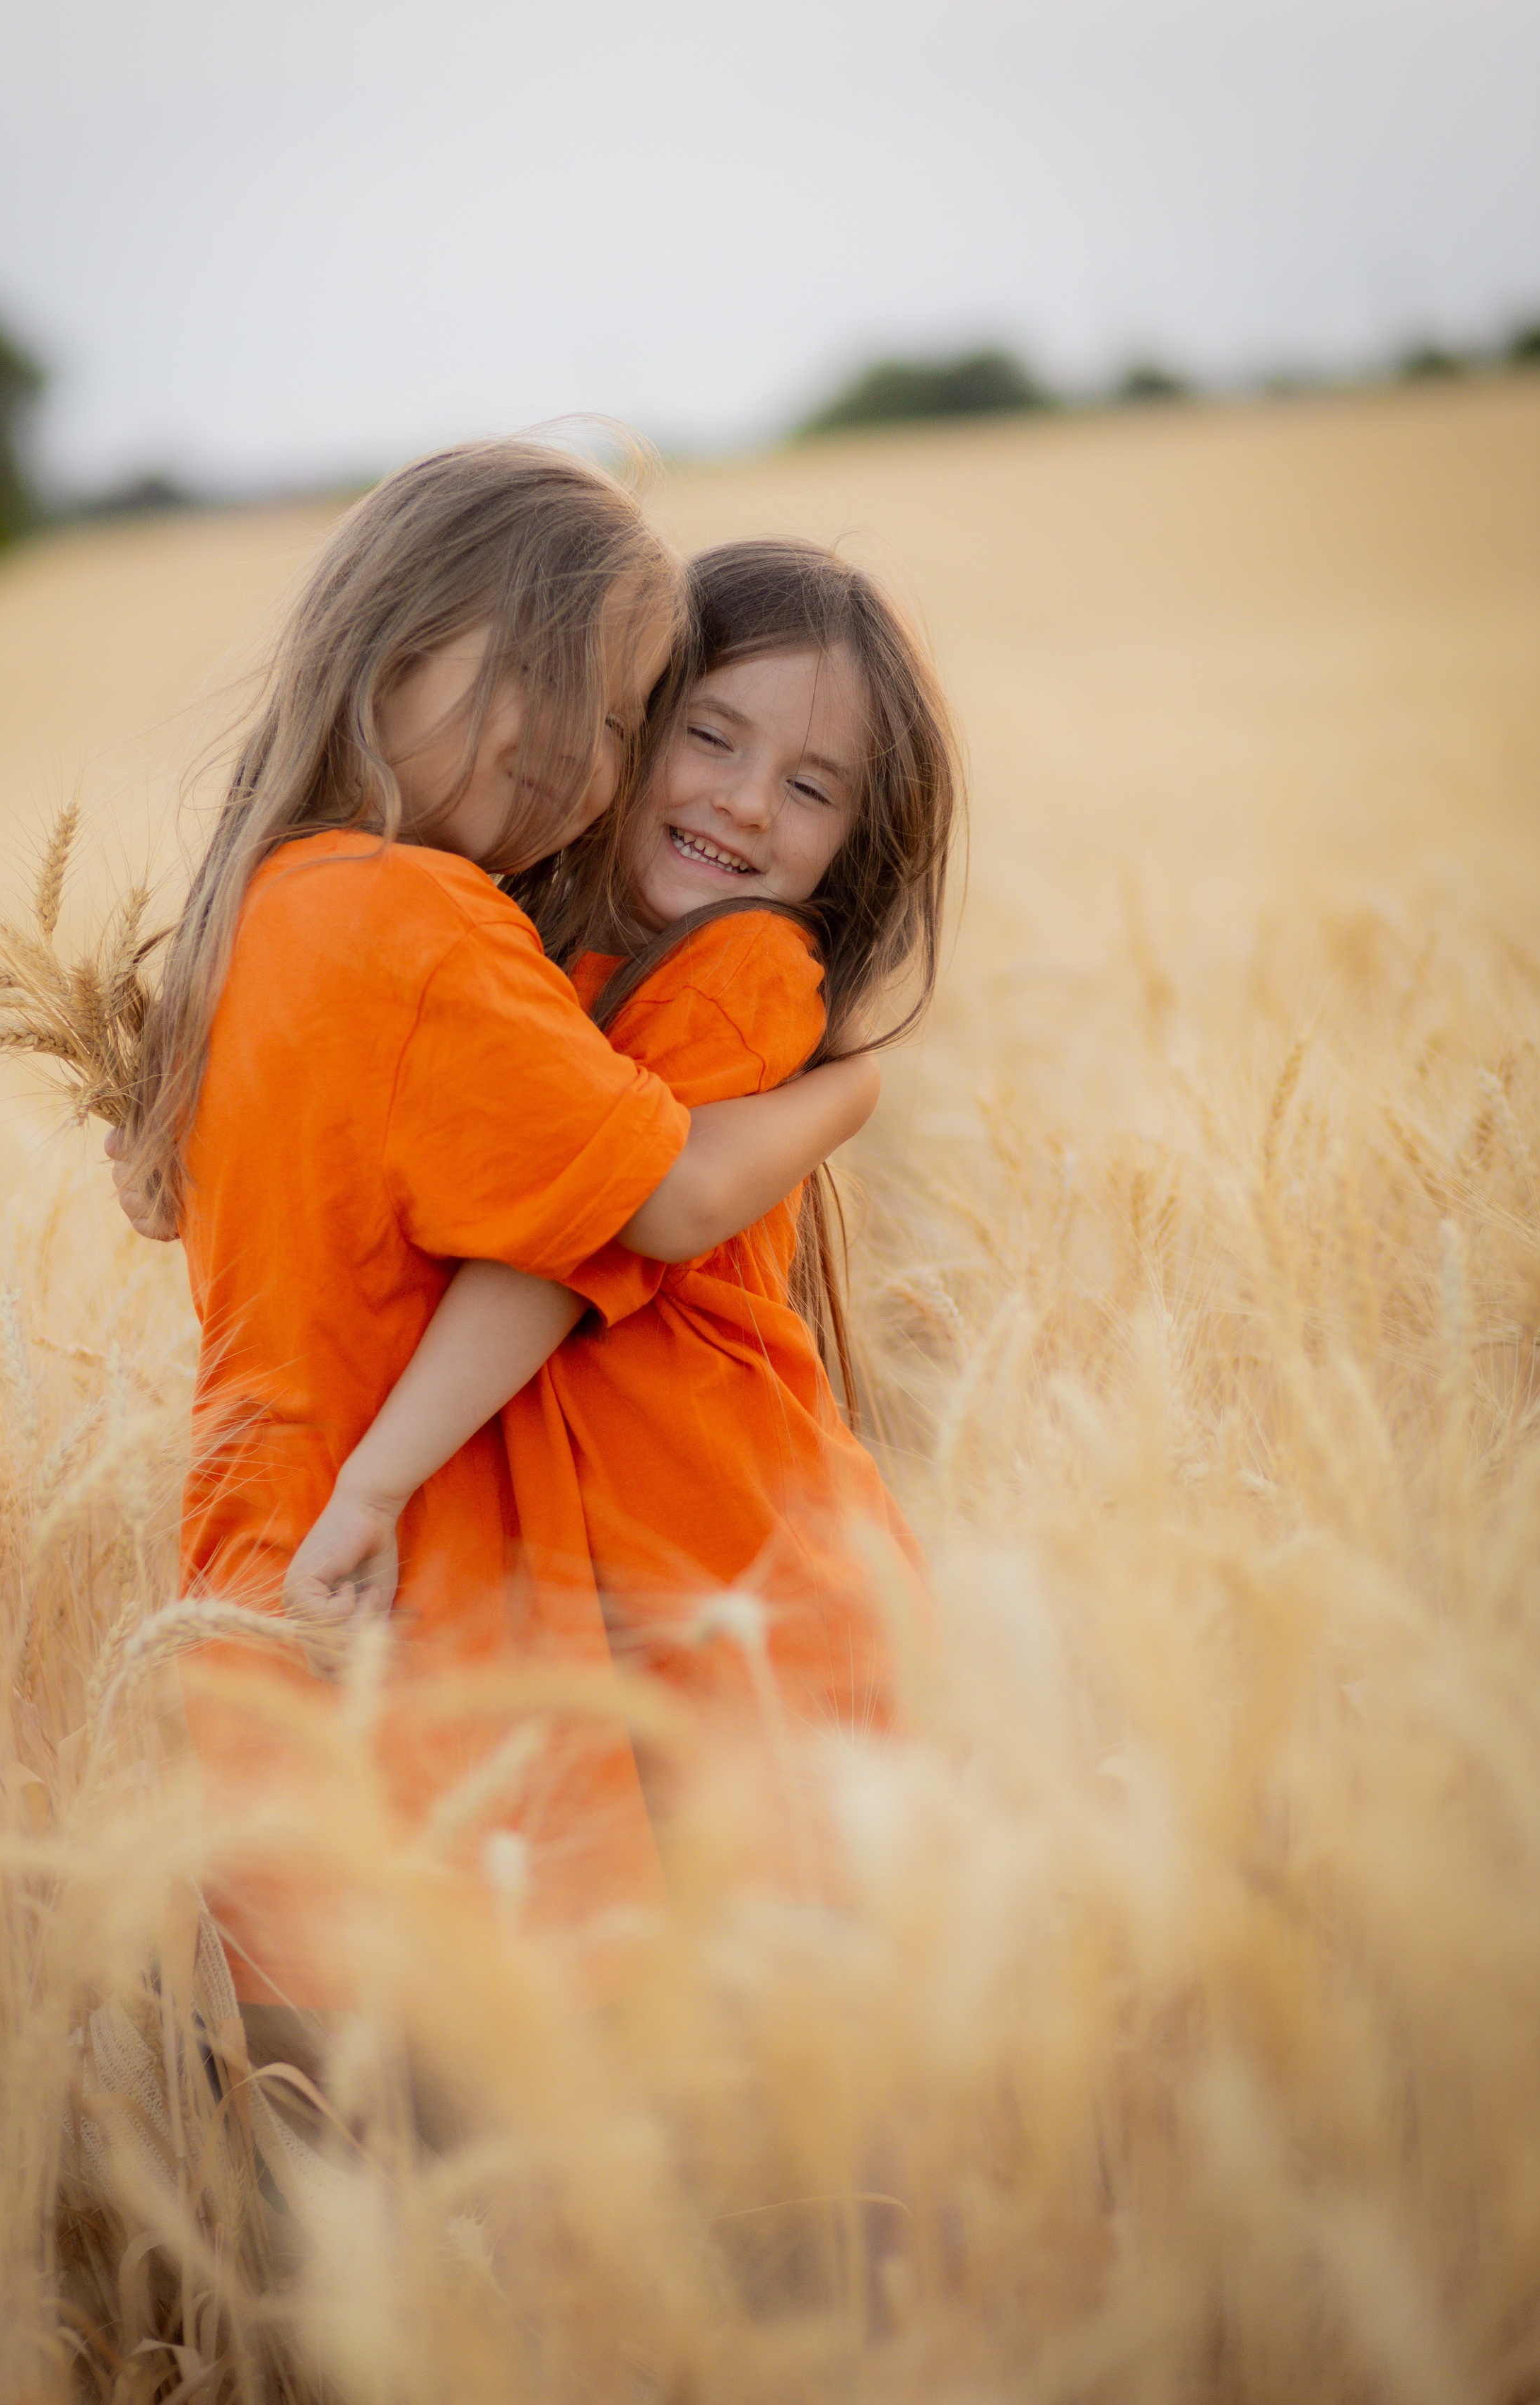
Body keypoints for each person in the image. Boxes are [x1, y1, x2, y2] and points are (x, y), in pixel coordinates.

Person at [109, 453, 882, 2010]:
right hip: (412, 1577)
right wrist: (844, 1094)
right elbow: (651, 1197)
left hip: (259, 1552)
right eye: (574, 698)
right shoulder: (424, 923)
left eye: (613, 718)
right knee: (533, 2094)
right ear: (396, 649)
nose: (586, 761)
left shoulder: (271, 905)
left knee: (343, 2120)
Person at [291, 536, 957, 1758]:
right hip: (615, 1591)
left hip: (734, 1578)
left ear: (850, 847)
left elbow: (578, 1224)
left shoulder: (742, 971)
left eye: (813, 789)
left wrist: (376, 1482)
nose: (748, 802)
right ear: (619, 722)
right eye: (709, 736)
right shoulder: (511, 947)